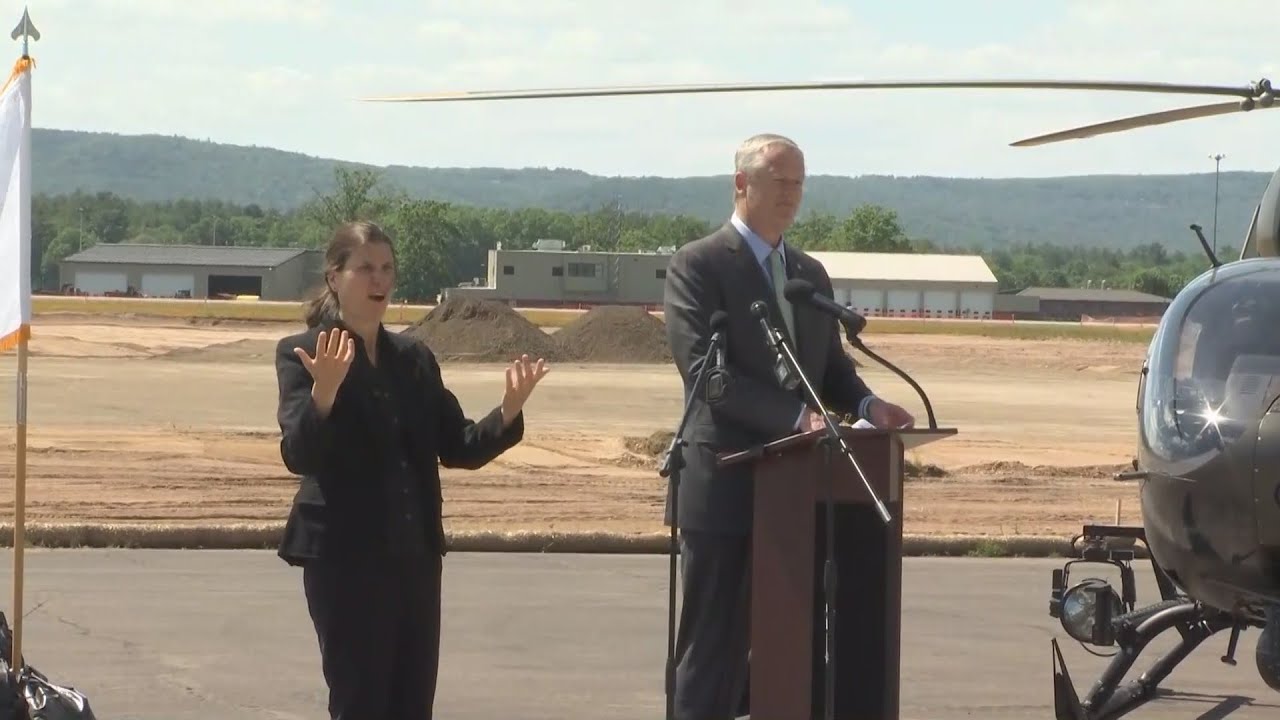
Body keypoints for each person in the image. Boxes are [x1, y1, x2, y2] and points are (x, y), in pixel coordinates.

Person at [662, 133, 914, 719]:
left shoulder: (807, 274)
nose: (791, 195)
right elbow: (708, 376)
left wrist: (869, 405)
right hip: (724, 487)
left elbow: (828, 367)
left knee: (793, 647)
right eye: (780, 182)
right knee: (712, 650)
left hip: (800, 497)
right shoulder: (697, 265)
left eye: (799, 183)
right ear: (741, 185)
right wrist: (797, 417)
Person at [273, 220, 550, 720]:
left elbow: (458, 445)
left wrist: (507, 412)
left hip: (416, 560)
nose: (379, 280)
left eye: (387, 269)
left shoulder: (414, 358)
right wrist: (324, 396)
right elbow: (299, 454)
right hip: (345, 561)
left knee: (412, 704)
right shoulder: (306, 353)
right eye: (365, 269)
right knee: (361, 703)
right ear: (334, 277)